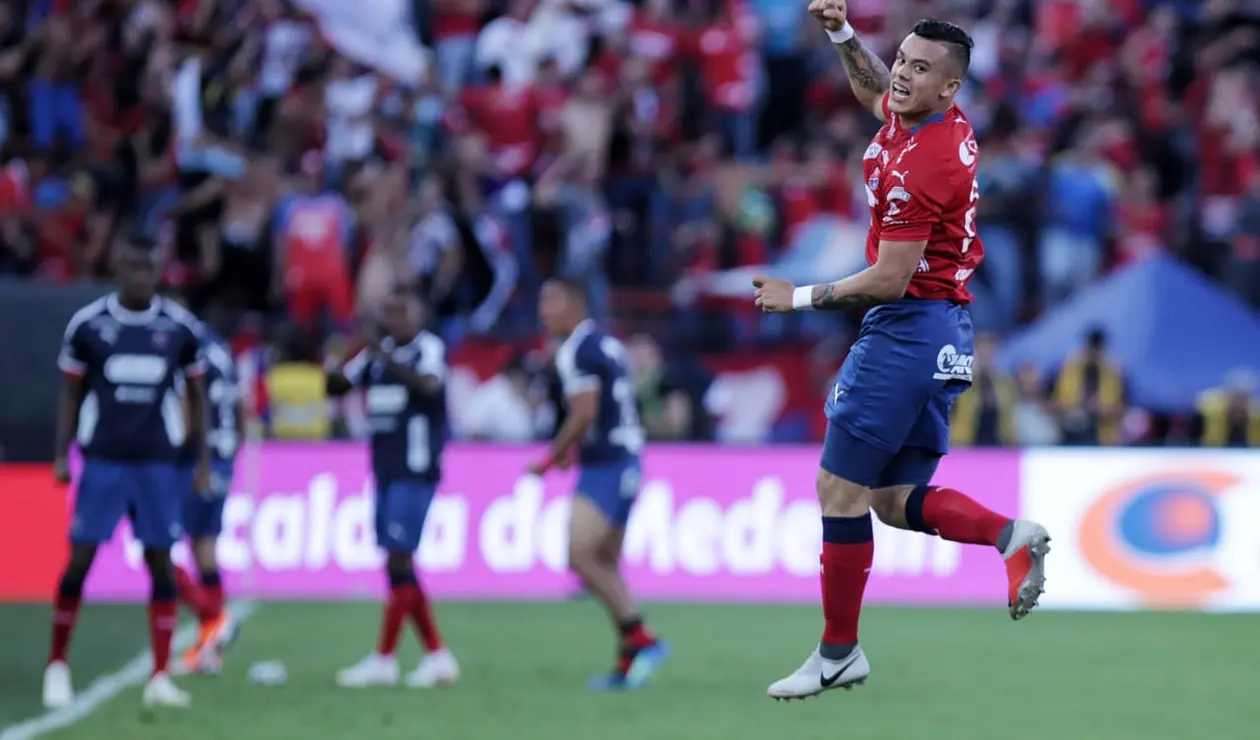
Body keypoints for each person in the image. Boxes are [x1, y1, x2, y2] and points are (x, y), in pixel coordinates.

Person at [751, 2, 1050, 700]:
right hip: (942, 330)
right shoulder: (922, 119)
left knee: (838, 488)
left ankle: (837, 652)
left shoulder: (927, 164)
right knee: (888, 498)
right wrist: (840, 31)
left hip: (907, 330)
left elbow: (889, 276)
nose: (904, 77)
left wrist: (796, 298)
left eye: (921, 70)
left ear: (951, 89)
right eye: (905, 62)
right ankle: (1010, 535)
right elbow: (872, 90)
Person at [45, 238, 210, 710]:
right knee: (80, 560)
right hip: (104, 460)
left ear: (159, 271)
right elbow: (71, 394)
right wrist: (62, 454)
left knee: (161, 562)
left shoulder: (178, 328)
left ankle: (159, 674)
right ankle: (57, 664)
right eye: (134, 267)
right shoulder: (89, 325)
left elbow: (196, 396)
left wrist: (199, 462)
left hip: (157, 461)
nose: (142, 276)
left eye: (149, 268)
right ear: (119, 267)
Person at [530, 276, 669, 691]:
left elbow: (585, 414)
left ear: (575, 304)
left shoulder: (577, 350)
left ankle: (643, 638)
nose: (544, 311)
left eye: (551, 300)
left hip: (606, 465)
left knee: (578, 555)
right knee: (604, 562)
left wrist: (550, 458)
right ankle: (629, 657)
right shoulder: (606, 343)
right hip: (625, 458)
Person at [326, 287, 458, 688]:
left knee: (399, 558)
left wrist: (382, 356)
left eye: (402, 311)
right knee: (397, 563)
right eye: (389, 311)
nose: (395, 319)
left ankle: (384, 659)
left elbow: (431, 386)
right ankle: (437, 655)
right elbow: (337, 387)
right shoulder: (374, 354)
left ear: (418, 314)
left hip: (415, 470)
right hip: (384, 470)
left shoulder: (426, 349)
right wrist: (337, 358)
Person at [173, 323, 245, 674]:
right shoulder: (221, 349)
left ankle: (215, 619)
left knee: (155, 544)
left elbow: (190, 403)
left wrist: (182, 452)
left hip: (198, 459)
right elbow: (240, 404)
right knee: (204, 548)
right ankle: (209, 650)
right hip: (223, 455)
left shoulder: (185, 346)